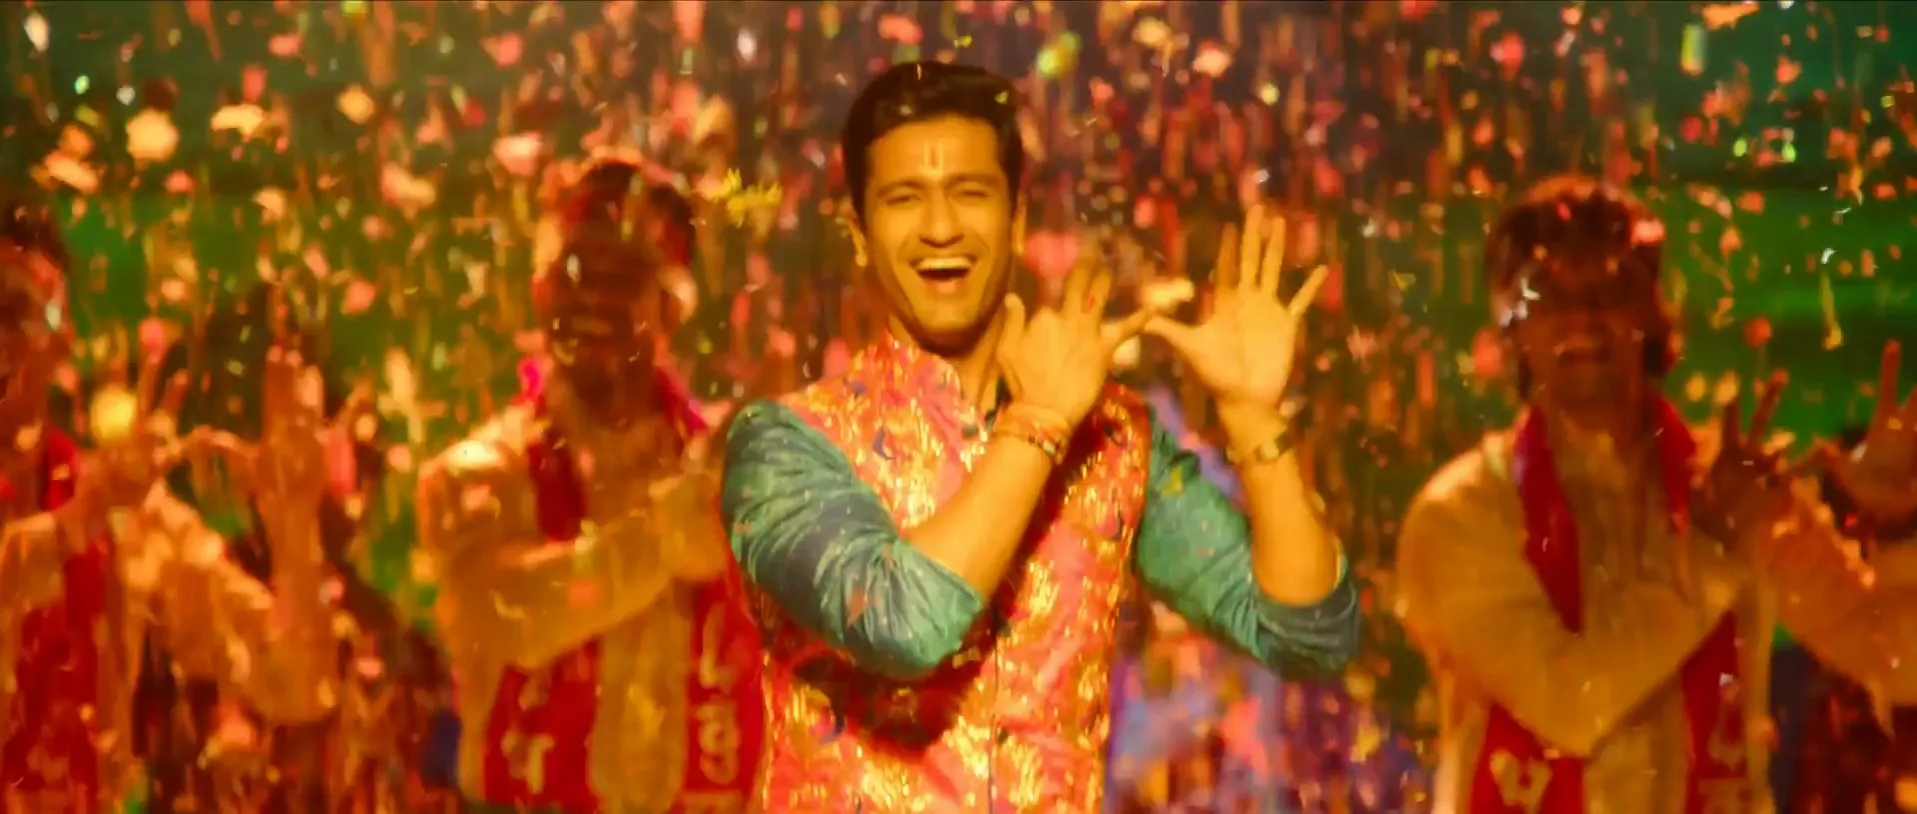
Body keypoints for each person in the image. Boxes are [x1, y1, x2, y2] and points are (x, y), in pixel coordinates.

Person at [719, 61, 1358, 811]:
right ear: (858, 234)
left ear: (1016, 219)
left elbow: (1309, 637)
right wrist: (1039, 423)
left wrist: (1253, 419)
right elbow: (903, 624)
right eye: (904, 199)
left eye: (970, 193)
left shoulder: (1112, 438)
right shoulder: (783, 447)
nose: (940, 227)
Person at [1393, 177, 1917, 813]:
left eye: (1610, 288)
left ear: (1652, 312)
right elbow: (1572, 707)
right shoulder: (1464, 513)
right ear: (1511, 331)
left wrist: (1898, 527)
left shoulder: (1732, 486)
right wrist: (1709, 550)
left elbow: (1898, 665)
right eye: (1550, 294)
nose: (1583, 316)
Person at [416, 159, 761, 813]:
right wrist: (661, 540)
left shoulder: (736, 476)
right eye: (574, 272)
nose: (592, 298)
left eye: (622, 277)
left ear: (670, 308)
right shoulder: (481, 473)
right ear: (540, 292)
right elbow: (505, 616)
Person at [0, 200, 338, 811]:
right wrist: (77, 524)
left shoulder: (120, 512)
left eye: (15, 311)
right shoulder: (100, 507)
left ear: (63, 337)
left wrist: (294, 528)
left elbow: (293, 683)